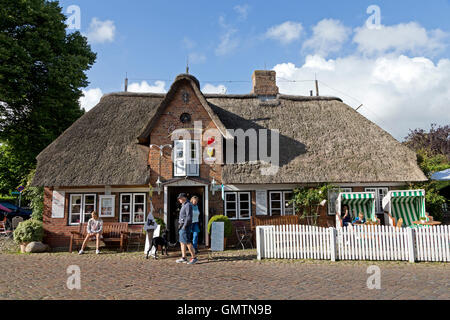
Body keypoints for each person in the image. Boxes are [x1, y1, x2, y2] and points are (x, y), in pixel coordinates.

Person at [176, 193, 198, 265]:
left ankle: (194, 257)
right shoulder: (183, 205)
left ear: (184, 198)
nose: (179, 199)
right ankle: (184, 257)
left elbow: (189, 217)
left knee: (188, 242)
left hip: (185, 227)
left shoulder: (188, 205)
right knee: (182, 242)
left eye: (180, 198)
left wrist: (184, 226)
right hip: (182, 226)